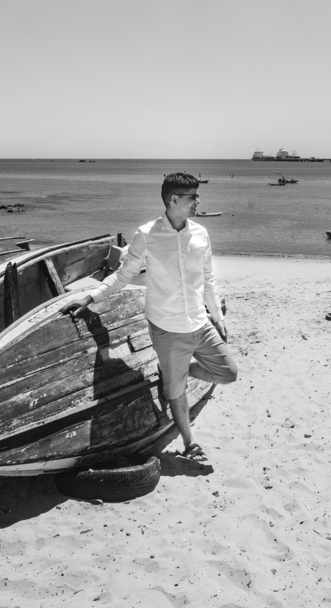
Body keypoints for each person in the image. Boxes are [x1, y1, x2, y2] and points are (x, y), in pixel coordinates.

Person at [64, 172, 236, 465]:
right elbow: (122, 277)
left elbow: (208, 279)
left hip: (199, 322)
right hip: (167, 329)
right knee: (175, 393)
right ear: (174, 200)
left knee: (228, 373)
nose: (198, 201)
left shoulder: (200, 234)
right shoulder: (146, 234)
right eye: (193, 197)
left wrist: (217, 316)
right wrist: (90, 297)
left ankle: (177, 375)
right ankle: (189, 442)